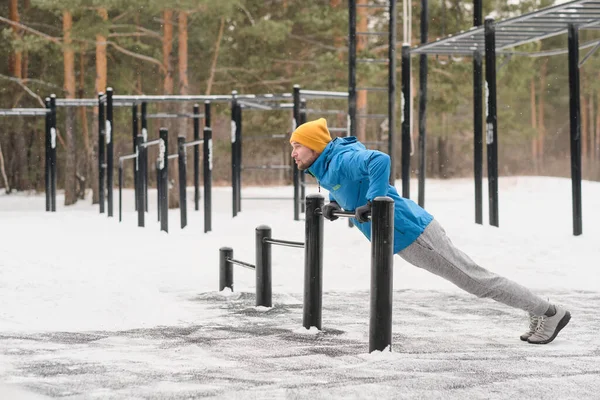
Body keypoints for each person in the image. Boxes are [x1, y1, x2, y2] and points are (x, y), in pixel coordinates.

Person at [290, 117, 571, 345]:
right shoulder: (326, 165)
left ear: (314, 146)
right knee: (475, 279)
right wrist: (336, 203)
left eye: (297, 146)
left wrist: (374, 201)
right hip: (403, 235)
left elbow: (379, 160)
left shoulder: (340, 159)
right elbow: (352, 183)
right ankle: (541, 310)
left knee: (476, 281)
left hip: (413, 232)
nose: (293, 153)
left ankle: (549, 312)